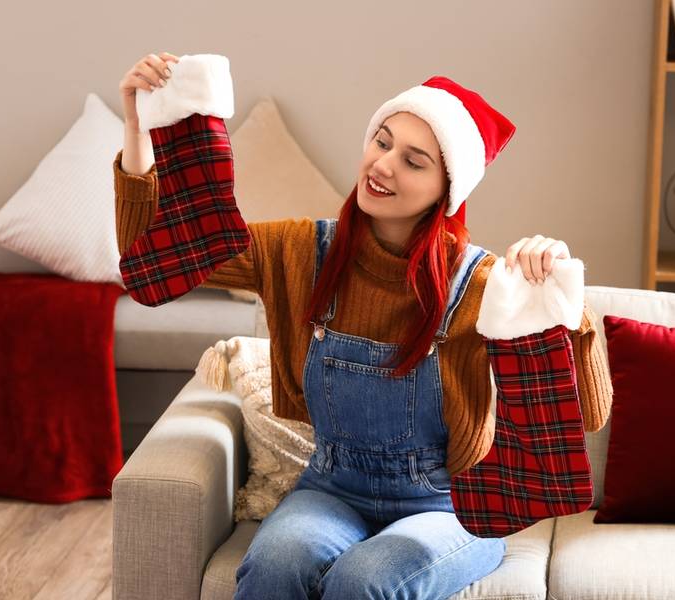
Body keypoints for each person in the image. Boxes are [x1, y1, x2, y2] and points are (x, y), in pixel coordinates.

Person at [115, 51, 613, 599]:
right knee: (275, 564)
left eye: (414, 161)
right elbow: (161, 260)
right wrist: (140, 130)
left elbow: (588, 417)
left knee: (364, 580)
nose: (383, 165)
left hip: (449, 505)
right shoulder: (303, 252)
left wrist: (569, 310)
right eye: (382, 141)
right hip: (332, 488)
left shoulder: (485, 284)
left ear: (448, 190)